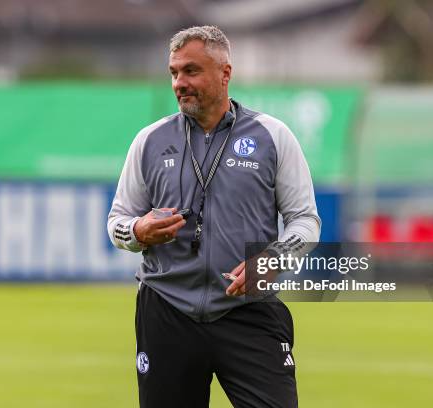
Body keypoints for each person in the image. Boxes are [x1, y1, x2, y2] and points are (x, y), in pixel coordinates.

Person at [108, 25, 320, 408]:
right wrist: (138, 230)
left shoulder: (274, 136)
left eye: (191, 71)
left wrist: (272, 260)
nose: (179, 83)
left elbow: (305, 220)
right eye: (174, 72)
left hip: (249, 312)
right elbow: (118, 222)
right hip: (167, 312)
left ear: (225, 74)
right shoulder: (149, 141)